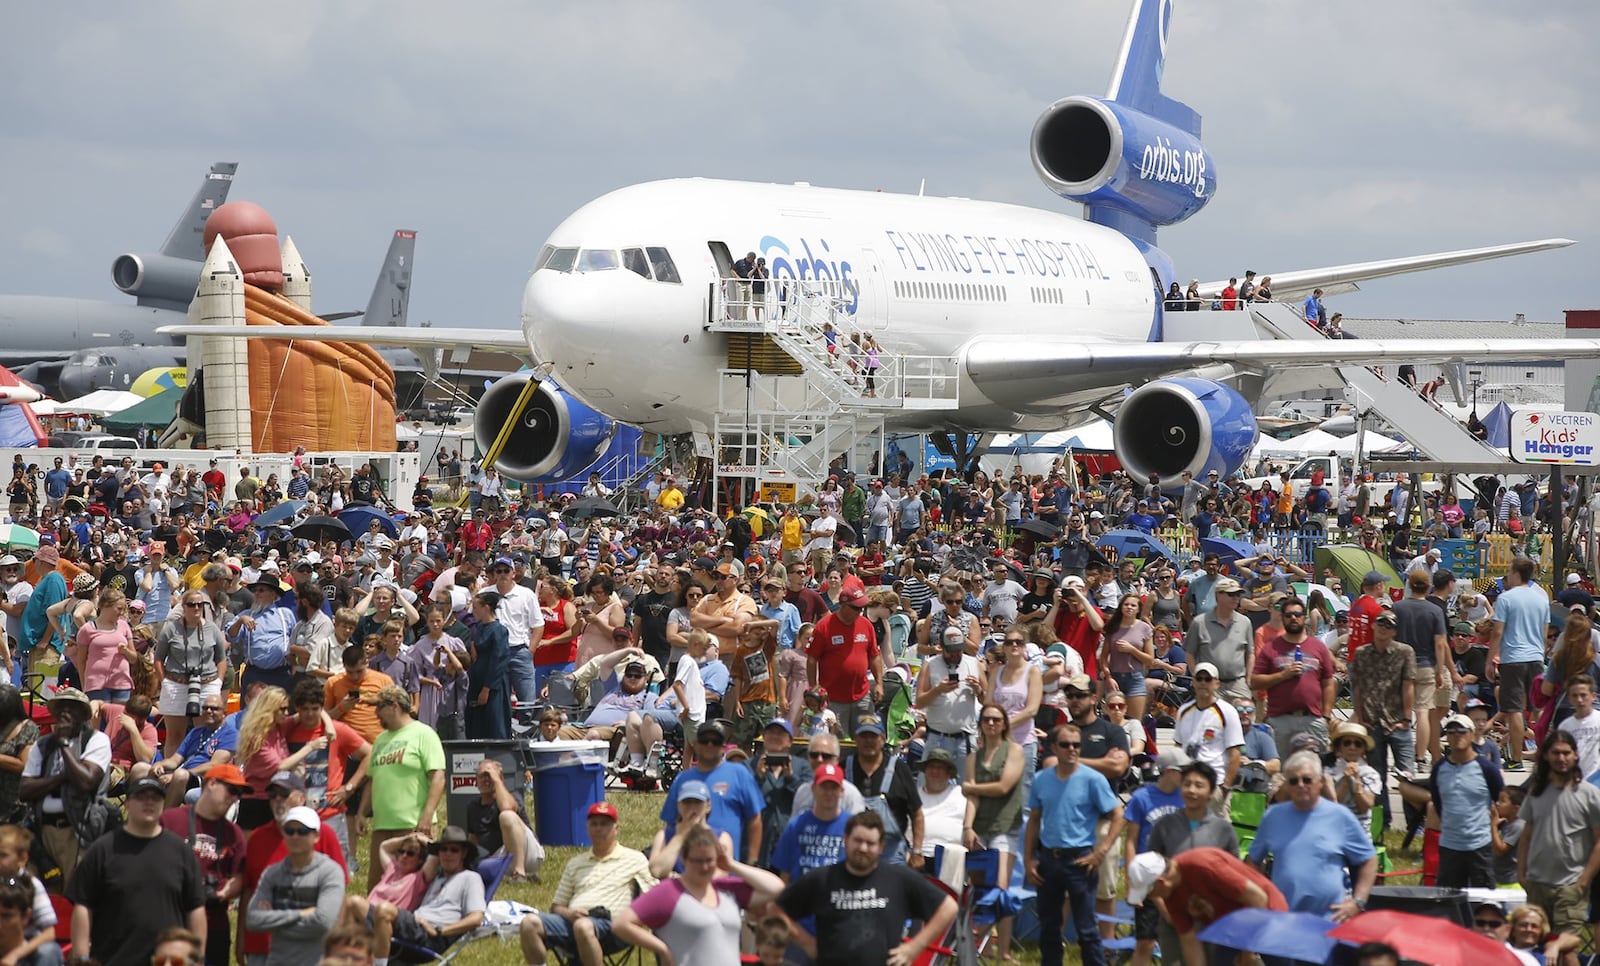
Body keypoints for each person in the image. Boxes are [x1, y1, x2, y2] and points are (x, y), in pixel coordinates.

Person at [776, 810, 957, 966]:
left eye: (870, 843)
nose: (863, 848)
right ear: (845, 840)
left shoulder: (899, 878)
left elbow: (949, 907)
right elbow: (776, 909)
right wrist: (807, 943)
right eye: (857, 840)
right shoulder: (823, 878)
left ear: (881, 847)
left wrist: (914, 947)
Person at [67, 775, 206, 966]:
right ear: (127, 804)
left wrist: (197, 957)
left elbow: (196, 908)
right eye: (141, 797)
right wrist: (82, 958)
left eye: (155, 798)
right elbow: (83, 905)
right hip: (112, 959)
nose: (149, 802)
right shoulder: (103, 849)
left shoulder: (181, 851)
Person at [1024, 722, 1126, 966]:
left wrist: (1101, 851)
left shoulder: (1092, 779)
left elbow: (1118, 815)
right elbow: (1034, 822)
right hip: (1048, 859)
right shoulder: (1041, 780)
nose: (1072, 749)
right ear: (1053, 748)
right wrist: (1029, 860)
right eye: (1065, 744)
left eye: (1076, 745)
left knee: (1087, 929)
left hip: (1080, 859)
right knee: (1049, 928)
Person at [614, 824, 785, 966]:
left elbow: (776, 888)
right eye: (697, 861)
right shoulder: (669, 892)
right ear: (684, 859)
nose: (704, 867)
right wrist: (662, 949)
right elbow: (621, 924)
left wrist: (732, 865)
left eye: (709, 860)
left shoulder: (727, 890)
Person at [520, 802, 656, 966]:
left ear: (616, 829)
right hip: (573, 924)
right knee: (529, 923)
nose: (599, 829)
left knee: (583, 927)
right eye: (594, 824)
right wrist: (570, 914)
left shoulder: (634, 859)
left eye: (605, 824)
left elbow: (653, 896)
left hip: (615, 929)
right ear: (587, 828)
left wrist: (637, 922)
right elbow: (556, 907)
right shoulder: (576, 863)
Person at [1246, 750, 1376, 919]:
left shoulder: (1340, 816)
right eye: (1293, 781)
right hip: (1284, 916)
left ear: (1320, 782)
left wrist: (1357, 902)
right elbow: (1253, 860)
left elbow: (1369, 859)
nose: (1300, 785)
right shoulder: (1273, 816)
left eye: (1307, 780)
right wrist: (1261, 896)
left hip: (1330, 918)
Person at [237, 771, 350, 966]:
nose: (278, 800)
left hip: (312, 950)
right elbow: (249, 894)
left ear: (301, 797)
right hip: (262, 948)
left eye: (284, 794)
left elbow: (338, 900)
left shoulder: (324, 834)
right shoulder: (257, 838)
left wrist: (337, 945)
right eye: (273, 795)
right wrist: (241, 940)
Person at [1125, 846, 1286, 966]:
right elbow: (1190, 942)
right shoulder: (1170, 894)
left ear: (1161, 882)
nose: (1151, 897)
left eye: (1149, 892)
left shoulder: (1203, 865)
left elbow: (1258, 898)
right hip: (1232, 932)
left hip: (1268, 915)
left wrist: (1248, 954)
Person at [19, 687, 110, 891]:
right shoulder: (42, 745)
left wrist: (64, 744)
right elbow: (25, 790)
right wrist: (62, 777)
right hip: (44, 831)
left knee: (75, 894)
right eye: (61, 707)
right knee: (43, 894)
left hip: (79, 830)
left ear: (84, 714)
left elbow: (86, 782)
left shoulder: (96, 740)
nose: (66, 712)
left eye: (73, 708)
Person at [160, 765, 251, 966]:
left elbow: (240, 876)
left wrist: (223, 893)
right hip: (171, 919)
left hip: (214, 923)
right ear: (211, 783)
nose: (234, 798)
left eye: (239, 794)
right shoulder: (171, 820)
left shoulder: (233, 833)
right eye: (231, 790)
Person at [1518, 729, 1600, 943]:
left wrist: (1583, 881)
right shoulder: (1536, 791)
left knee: (1565, 947)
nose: (1561, 758)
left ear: (1576, 755)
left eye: (1566, 753)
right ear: (1546, 755)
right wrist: (1521, 873)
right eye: (1555, 753)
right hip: (1537, 884)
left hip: (1570, 886)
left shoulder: (1589, 794)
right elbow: (1526, 835)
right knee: (1535, 945)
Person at [361, 826, 485, 966]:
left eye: (454, 850)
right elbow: (385, 847)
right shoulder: (437, 878)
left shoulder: (470, 878)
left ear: (464, 853)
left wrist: (440, 931)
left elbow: (476, 918)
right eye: (443, 850)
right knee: (354, 906)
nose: (447, 854)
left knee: (384, 910)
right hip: (414, 926)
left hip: (429, 936)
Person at [356, 685, 445, 875]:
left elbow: (438, 777)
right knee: (377, 890)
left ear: (394, 706)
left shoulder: (424, 734)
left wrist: (427, 817)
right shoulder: (380, 740)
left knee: (412, 889)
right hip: (382, 826)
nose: (376, 713)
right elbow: (373, 779)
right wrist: (361, 812)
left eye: (379, 707)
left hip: (413, 826)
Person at [659, 721, 764, 863]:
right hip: (687, 866)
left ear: (723, 746)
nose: (710, 745)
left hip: (727, 865)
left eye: (715, 741)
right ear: (695, 744)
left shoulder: (739, 774)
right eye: (704, 740)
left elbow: (755, 819)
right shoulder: (683, 779)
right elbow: (671, 822)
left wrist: (752, 860)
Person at [1120, 751, 1188, 966]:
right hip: (1148, 877)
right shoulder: (1142, 798)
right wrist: (1131, 879)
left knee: (1183, 939)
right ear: (1169, 772)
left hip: (1177, 877)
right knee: (1146, 942)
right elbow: (1131, 841)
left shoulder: (1186, 798)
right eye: (1183, 772)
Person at [1250, 598, 1337, 759]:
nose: (1293, 618)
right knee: (1279, 772)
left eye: (1297, 614)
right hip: (1279, 720)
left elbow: (1328, 683)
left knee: (1315, 769)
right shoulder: (1271, 648)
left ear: (1304, 618)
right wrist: (1283, 675)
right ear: (1282, 618)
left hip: (1312, 719)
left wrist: (1326, 714)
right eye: (1288, 615)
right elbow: (1255, 681)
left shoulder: (1318, 648)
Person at [1349, 609, 1417, 801]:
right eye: (1380, 623)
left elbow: (1408, 685)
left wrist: (1406, 718)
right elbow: (1358, 687)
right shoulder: (1362, 653)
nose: (1383, 629)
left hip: (1397, 721)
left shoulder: (1405, 652)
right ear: (1373, 625)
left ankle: (1414, 822)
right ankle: (1382, 822)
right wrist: (1360, 718)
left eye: (1389, 626)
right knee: (1375, 777)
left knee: (1407, 775)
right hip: (1372, 722)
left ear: (1395, 631)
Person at [153, 589, 230, 758]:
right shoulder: (171, 628)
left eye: (200, 604)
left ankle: (199, 771)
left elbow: (221, 659)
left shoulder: (212, 629)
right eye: (191, 604)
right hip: (176, 683)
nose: (196, 608)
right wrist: (164, 681)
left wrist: (218, 681)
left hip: (206, 683)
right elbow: (158, 658)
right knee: (175, 735)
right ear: (183, 606)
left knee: (204, 733)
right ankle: (170, 774)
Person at [1430, 712, 1503, 889]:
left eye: (1461, 731)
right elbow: (1438, 802)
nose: (1456, 735)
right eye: (1451, 731)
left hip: (1479, 845)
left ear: (1471, 734)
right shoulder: (1439, 768)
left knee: (1484, 900)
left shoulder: (1486, 768)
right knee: (1448, 900)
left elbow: (1500, 798)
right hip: (1450, 845)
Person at [1490, 557, 1550, 771]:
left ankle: (1516, 758)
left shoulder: (1506, 598)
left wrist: (1490, 660)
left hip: (1513, 658)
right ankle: (1545, 753)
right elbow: (1544, 634)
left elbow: (1497, 631)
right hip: (1535, 657)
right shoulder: (1542, 599)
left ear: (1516, 573)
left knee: (1515, 708)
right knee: (1538, 707)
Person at [845, 714, 923, 865]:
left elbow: (917, 814)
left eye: (873, 736)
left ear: (883, 739)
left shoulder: (899, 769)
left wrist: (917, 851)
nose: (868, 741)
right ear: (855, 739)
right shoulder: (844, 768)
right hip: (853, 851)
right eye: (864, 736)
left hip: (892, 855)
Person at [807, 587, 884, 733]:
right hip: (833, 699)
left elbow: (874, 655)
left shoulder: (866, 625)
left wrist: (879, 683)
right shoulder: (824, 626)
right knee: (837, 741)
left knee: (865, 735)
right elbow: (812, 659)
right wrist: (814, 688)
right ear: (843, 605)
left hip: (862, 696)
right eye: (856, 608)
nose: (859, 612)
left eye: (862, 608)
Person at [464, 758, 543, 882]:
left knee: (507, 816)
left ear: (500, 779)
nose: (485, 780)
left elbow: (507, 807)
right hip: (498, 858)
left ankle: (520, 873)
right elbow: (473, 839)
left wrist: (496, 780)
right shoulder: (473, 806)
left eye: (489, 775)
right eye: (481, 776)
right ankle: (515, 875)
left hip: (529, 854)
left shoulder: (513, 796)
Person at [1172, 662, 1244, 799]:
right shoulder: (1183, 710)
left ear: (1216, 683)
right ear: (1193, 682)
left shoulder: (1227, 711)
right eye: (1199, 679)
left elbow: (1235, 753)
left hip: (1215, 784)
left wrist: (1226, 787)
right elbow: (1178, 747)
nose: (1203, 683)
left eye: (1208, 679)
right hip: (1187, 784)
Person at [1187, 577, 1254, 703]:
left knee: (1245, 716)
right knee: (1211, 720)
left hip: (1238, 683)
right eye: (1231, 594)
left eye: (1238, 594)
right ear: (1218, 595)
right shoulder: (1199, 622)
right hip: (1210, 684)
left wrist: (1248, 679)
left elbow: (1250, 653)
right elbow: (1190, 653)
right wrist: (1198, 678)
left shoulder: (1245, 622)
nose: (1236, 598)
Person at [465, 591, 511, 739]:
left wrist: (487, 688)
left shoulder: (499, 630)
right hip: (477, 678)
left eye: (476, 607)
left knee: (494, 723)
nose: (474, 611)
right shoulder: (479, 628)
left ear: (486, 607)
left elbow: (499, 660)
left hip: (492, 684)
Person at [1325, 721, 1382, 829]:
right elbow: (1331, 806)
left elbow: (1365, 807)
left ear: (1363, 749)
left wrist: (1357, 781)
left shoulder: (1371, 774)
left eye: (1358, 744)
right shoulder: (1328, 772)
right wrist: (1345, 782)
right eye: (1347, 743)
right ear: (1339, 747)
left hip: (1359, 830)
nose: (1352, 747)